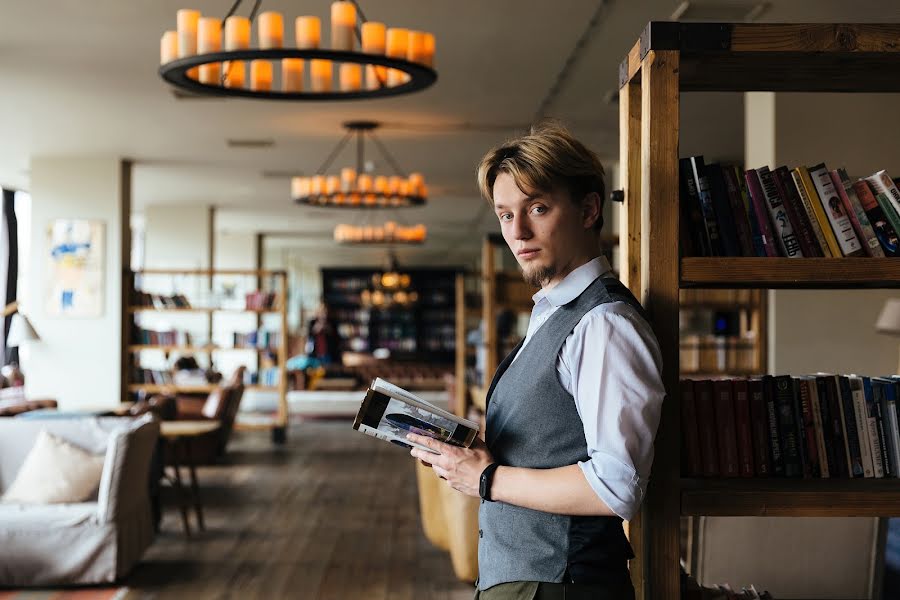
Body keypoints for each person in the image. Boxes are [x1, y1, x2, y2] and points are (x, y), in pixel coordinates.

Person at [406, 122, 665, 600]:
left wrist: (485, 478)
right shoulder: (555, 313)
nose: (518, 232)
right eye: (505, 215)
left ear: (589, 210)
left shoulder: (604, 323)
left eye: (538, 208)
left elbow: (617, 487)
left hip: (560, 585)